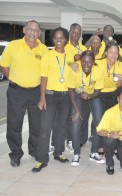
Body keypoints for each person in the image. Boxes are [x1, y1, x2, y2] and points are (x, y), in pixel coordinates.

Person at [0, 20, 48, 167]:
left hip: (35, 91)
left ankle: (34, 151)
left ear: (39, 33)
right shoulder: (13, 46)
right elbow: (4, 65)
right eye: (30, 29)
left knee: (36, 125)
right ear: (24, 30)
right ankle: (16, 154)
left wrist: (42, 96)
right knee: (14, 124)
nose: (32, 32)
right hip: (16, 92)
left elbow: (44, 74)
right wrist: (14, 79)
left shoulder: (44, 49)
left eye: (35, 30)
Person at [31, 27, 72, 172]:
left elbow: (76, 69)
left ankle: (58, 153)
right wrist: (42, 98)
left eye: (61, 37)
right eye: (56, 38)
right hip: (50, 95)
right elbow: (44, 77)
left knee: (61, 126)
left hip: (66, 96)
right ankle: (41, 159)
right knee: (45, 127)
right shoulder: (48, 56)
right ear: (53, 39)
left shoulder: (70, 55)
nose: (59, 40)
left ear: (66, 39)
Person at [67, 50, 105, 166]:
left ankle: (94, 152)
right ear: (80, 61)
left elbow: (98, 92)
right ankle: (76, 153)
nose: (86, 65)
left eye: (89, 62)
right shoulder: (74, 70)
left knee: (99, 122)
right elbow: (71, 91)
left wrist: (89, 96)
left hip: (93, 95)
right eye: (83, 62)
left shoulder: (98, 72)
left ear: (93, 62)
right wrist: (77, 111)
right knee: (76, 121)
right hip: (77, 96)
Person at [64, 23, 87, 152]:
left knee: (74, 115)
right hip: (63, 87)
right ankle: (57, 142)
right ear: (70, 31)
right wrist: (71, 62)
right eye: (74, 32)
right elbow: (62, 63)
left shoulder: (83, 49)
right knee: (62, 116)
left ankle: (71, 141)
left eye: (79, 33)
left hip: (76, 89)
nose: (76, 34)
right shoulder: (63, 47)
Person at [97, 41, 122, 111]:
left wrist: (120, 82)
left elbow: (121, 86)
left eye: (116, 53)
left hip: (114, 94)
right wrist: (76, 64)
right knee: (99, 119)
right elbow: (85, 62)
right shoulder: (97, 64)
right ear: (106, 53)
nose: (114, 55)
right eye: (111, 52)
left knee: (112, 118)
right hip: (99, 93)